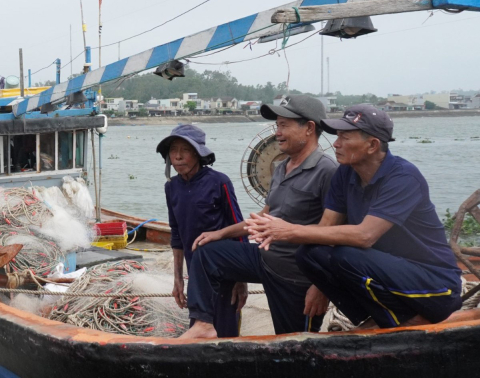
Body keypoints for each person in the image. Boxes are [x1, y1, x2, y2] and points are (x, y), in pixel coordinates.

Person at [248, 105, 462, 328]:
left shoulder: (403, 177)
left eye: (345, 137)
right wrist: (319, 284)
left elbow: (365, 236)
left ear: (372, 145)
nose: (337, 144)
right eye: (337, 136)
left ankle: (404, 322)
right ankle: (375, 318)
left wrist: (289, 230)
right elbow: (325, 228)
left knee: (345, 255)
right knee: (309, 254)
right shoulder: (345, 172)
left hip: (436, 287)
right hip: (390, 273)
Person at [181, 95, 338, 338]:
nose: (277, 132)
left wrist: (321, 287)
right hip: (264, 260)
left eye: (284, 125)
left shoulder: (328, 172)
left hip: (297, 279)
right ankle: (203, 324)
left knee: (295, 348)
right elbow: (263, 217)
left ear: (309, 128)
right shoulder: (281, 168)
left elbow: (334, 237)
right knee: (207, 253)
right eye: (277, 125)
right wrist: (221, 233)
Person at [157, 125, 247, 337]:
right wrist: (178, 278)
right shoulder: (171, 187)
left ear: (198, 154)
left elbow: (239, 227)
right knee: (199, 330)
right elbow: (176, 234)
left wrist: (241, 280)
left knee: (226, 334)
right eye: (173, 150)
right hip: (196, 275)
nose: (178, 156)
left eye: (185, 150)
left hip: (224, 272)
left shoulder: (219, 182)